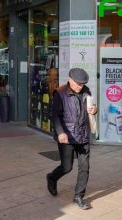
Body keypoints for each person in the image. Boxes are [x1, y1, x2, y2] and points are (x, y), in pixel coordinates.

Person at [46, 68, 97, 210]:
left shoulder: (87, 91)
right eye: (77, 83)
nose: (80, 87)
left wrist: (95, 110)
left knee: (84, 168)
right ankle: (51, 177)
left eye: (82, 84)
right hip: (67, 136)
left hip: (83, 135)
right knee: (66, 167)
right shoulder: (60, 93)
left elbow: (91, 107)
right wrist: (60, 132)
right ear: (69, 79)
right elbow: (55, 115)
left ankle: (78, 196)